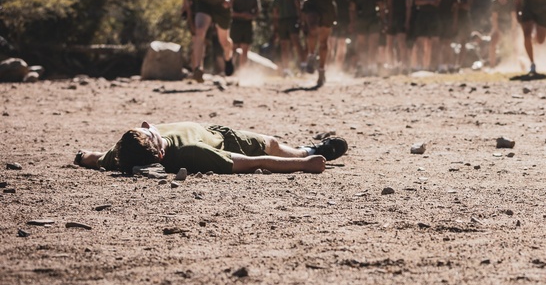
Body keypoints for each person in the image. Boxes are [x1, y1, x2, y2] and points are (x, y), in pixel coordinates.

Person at [74, 121, 348, 175]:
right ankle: (307, 150)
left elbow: (98, 158)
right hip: (226, 140)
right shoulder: (192, 151)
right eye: (152, 133)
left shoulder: (121, 153)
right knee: (273, 144)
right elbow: (253, 162)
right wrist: (305, 164)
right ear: (160, 154)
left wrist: (81, 156)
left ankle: (305, 150)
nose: (149, 124)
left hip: (211, 131)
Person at [348, 0, 386, 75]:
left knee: (373, 43)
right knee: (362, 44)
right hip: (361, 21)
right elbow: (352, 9)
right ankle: (363, 65)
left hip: (374, 20)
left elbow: (382, 8)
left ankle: (372, 65)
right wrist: (352, 22)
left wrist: (383, 22)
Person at [411, 0, 444, 71]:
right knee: (420, 41)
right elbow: (416, 2)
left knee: (435, 42)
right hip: (422, 16)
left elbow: (436, 3)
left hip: (434, 16)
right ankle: (421, 65)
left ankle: (433, 66)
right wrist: (430, 0)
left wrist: (424, 0)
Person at [270, 0, 305, 76]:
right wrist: (275, 28)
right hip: (282, 22)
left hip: (292, 20)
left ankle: (303, 65)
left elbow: (299, 8)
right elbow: (275, 14)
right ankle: (286, 69)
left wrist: (301, 20)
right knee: (284, 45)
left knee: (296, 42)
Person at [229, 0, 261, 70]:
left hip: (247, 24)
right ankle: (231, 69)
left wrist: (250, 16)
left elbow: (257, 11)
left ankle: (243, 71)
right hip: (235, 23)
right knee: (233, 47)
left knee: (245, 49)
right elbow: (228, 11)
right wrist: (240, 15)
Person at [385, 0, 412, 73]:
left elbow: (408, 7)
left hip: (401, 18)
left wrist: (407, 21)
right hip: (390, 18)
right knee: (389, 44)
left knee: (401, 43)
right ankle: (392, 65)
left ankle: (404, 65)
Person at [451, 0, 477, 69]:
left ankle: (459, 65)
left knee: (463, 42)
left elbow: (467, 6)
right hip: (451, 17)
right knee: (448, 41)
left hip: (464, 18)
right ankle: (449, 63)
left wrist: (457, 5)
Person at [437, 0, 459, 71]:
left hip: (448, 20)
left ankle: (450, 64)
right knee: (440, 44)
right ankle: (441, 64)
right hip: (438, 20)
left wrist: (454, 22)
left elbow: (455, 9)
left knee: (448, 43)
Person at [490, 0, 516, 68]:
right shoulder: (495, 2)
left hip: (511, 23)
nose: (501, 0)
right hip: (499, 23)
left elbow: (514, 17)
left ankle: (515, 63)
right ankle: (492, 66)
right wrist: (497, 30)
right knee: (492, 43)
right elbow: (494, 18)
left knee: (514, 44)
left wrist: (512, 30)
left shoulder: (512, 1)